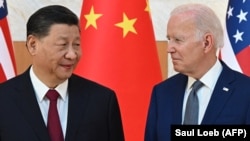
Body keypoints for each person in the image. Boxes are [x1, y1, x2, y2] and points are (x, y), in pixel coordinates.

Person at [0, 5, 124, 141]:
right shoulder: (4, 99)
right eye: (62, 44)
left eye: (76, 44)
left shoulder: (102, 101)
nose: (72, 55)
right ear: (33, 45)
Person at [144, 3, 250, 141]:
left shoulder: (245, 92)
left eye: (178, 40)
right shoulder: (162, 92)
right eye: (169, 39)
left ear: (206, 42)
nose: (169, 48)